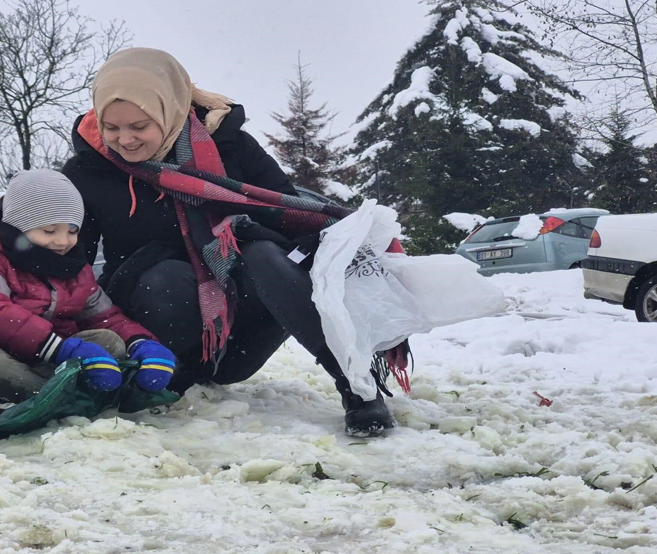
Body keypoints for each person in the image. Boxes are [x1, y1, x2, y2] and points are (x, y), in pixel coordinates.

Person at [61, 48, 406, 436]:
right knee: (168, 274)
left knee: (264, 253)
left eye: (139, 126)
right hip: (156, 333)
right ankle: (158, 380)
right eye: (112, 128)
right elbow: (68, 261)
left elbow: (284, 211)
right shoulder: (88, 170)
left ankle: (356, 385)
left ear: (169, 109)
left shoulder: (230, 147)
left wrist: (285, 240)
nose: (124, 140)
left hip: (239, 335)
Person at [0, 169, 177, 414]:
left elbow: (105, 316)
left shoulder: (72, 268)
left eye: (72, 230)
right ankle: (62, 401)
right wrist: (59, 348)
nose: (62, 241)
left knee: (107, 339)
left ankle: (53, 397)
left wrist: (141, 343)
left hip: (38, 361)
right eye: (49, 231)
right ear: (18, 226)